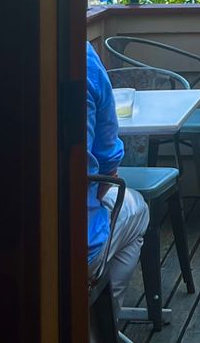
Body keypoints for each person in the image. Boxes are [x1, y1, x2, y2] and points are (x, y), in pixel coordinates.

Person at [87, 42, 149, 319]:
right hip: (71, 247)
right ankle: (99, 323)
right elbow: (107, 168)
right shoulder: (79, 58)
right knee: (138, 208)